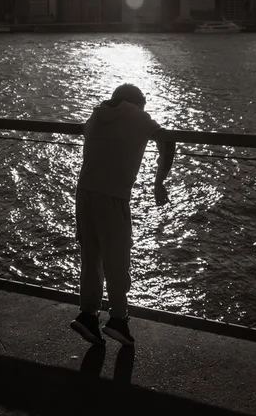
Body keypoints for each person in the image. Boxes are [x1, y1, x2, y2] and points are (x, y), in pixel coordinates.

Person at [70, 83, 175, 346]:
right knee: (117, 261)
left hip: (84, 193)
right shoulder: (136, 115)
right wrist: (159, 182)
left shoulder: (97, 113)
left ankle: (88, 315)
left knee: (91, 256)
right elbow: (168, 141)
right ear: (138, 103)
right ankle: (118, 319)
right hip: (113, 196)